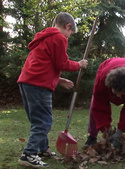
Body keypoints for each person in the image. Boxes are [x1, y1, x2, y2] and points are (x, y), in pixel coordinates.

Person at [17, 12, 88, 168]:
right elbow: (61, 63)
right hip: (38, 85)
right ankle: (28, 154)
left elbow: (45, 64)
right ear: (67, 26)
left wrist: (59, 80)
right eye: (70, 33)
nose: (68, 37)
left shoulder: (45, 37)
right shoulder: (58, 38)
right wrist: (79, 65)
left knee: (37, 120)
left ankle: (42, 149)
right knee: (44, 121)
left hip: (27, 82)